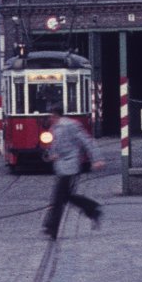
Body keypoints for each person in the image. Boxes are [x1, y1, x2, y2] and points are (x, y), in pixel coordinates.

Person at [42, 101, 105, 240]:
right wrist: (52, 155)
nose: (49, 118)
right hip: (63, 167)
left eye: (51, 115)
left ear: (55, 115)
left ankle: (51, 228)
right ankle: (93, 210)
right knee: (66, 196)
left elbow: (86, 141)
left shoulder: (70, 125)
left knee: (59, 198)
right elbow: (56, 147)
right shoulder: (56, 127)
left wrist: (97, 159)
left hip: (70, 167)